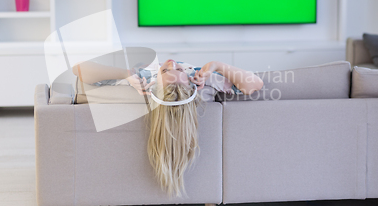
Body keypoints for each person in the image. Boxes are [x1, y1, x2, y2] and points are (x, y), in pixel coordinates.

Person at [73, 59, 264, 197]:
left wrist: (126, 74)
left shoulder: (143, 79)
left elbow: (78, 69)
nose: (171, 63)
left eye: (166, 70)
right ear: (190, 81)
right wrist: (216, 66)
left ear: (155, 84)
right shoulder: (205, 81)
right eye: (181, 69)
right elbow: (255, 84)